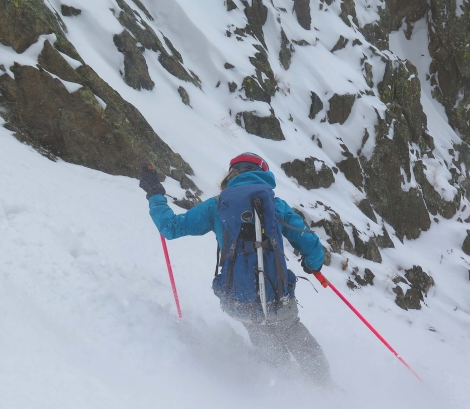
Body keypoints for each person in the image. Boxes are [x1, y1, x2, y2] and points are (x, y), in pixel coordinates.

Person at [139, 152, 331, 385]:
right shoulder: (275, 205)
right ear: (263, 175)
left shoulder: (217, 206)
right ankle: (325, 390)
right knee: (298, 340)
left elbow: (170, 227)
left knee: (262, 337)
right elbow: (309, 243)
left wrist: (155, 195)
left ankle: (286, 388)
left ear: (232, 174)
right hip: (278, 299)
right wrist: (313, 265)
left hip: (240, 300)